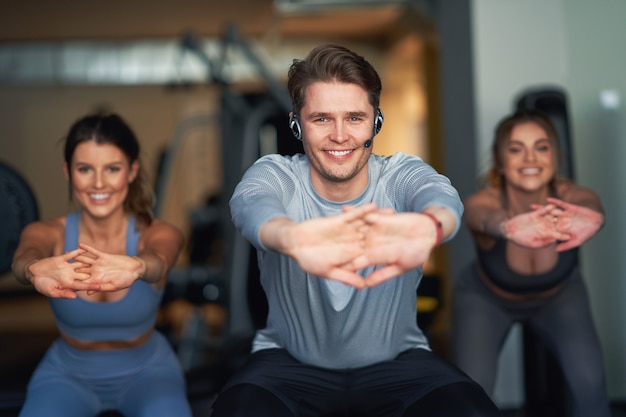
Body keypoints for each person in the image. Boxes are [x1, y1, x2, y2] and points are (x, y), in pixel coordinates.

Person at [210, 44, 501, 417]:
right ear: (297, 123)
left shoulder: (398, 174)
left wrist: (428, 226)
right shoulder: (277, 173)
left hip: (399, 361)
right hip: (288, 364)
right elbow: (252, 204)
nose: (339, 135)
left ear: (375, 122)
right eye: (321, 119)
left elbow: (440, 196)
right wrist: (293, 238)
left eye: (354, 118)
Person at [11, 113, 193, 417]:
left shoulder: (157, 232)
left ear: (132, 171)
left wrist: (137, 266)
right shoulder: (48, 233)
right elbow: (24, 257)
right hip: (67, 375)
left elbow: (160, 261)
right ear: (68, 172)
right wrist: (32, 269)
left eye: (112, 168)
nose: (98, 183)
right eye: (85, 169)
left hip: (149, 373)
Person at [452, 109, 611, 417]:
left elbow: (589, 202)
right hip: (485, 299)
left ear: (556, 156)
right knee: (472, 395)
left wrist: (593, 217)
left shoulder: (569, 196)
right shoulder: (486, 200)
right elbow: (479, 215)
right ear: (500, 160)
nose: (530, 159)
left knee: (590, 385)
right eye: (516, 149)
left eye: (541, 147)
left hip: (560, 297)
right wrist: (507, 226)